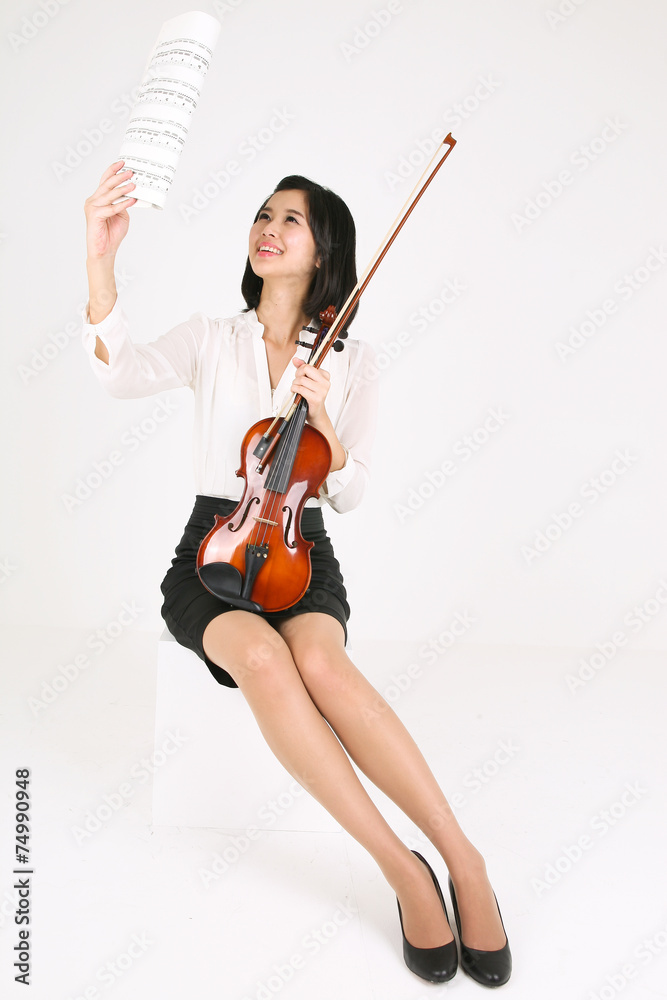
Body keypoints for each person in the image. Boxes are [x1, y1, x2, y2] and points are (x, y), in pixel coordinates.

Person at [81, 159, 512, 987]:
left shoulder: (355, 360)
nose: (268, 229)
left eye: (291, 220)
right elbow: (119, 371)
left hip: (302, 547)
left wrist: (323, 424)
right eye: (263, 215)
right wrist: (101, 255)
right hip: (212, 553)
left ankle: (463, 858)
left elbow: (349, 493)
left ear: (324, 252)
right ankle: (401, 868)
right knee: (263, 657)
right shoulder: (212, 338)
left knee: (320, 662)